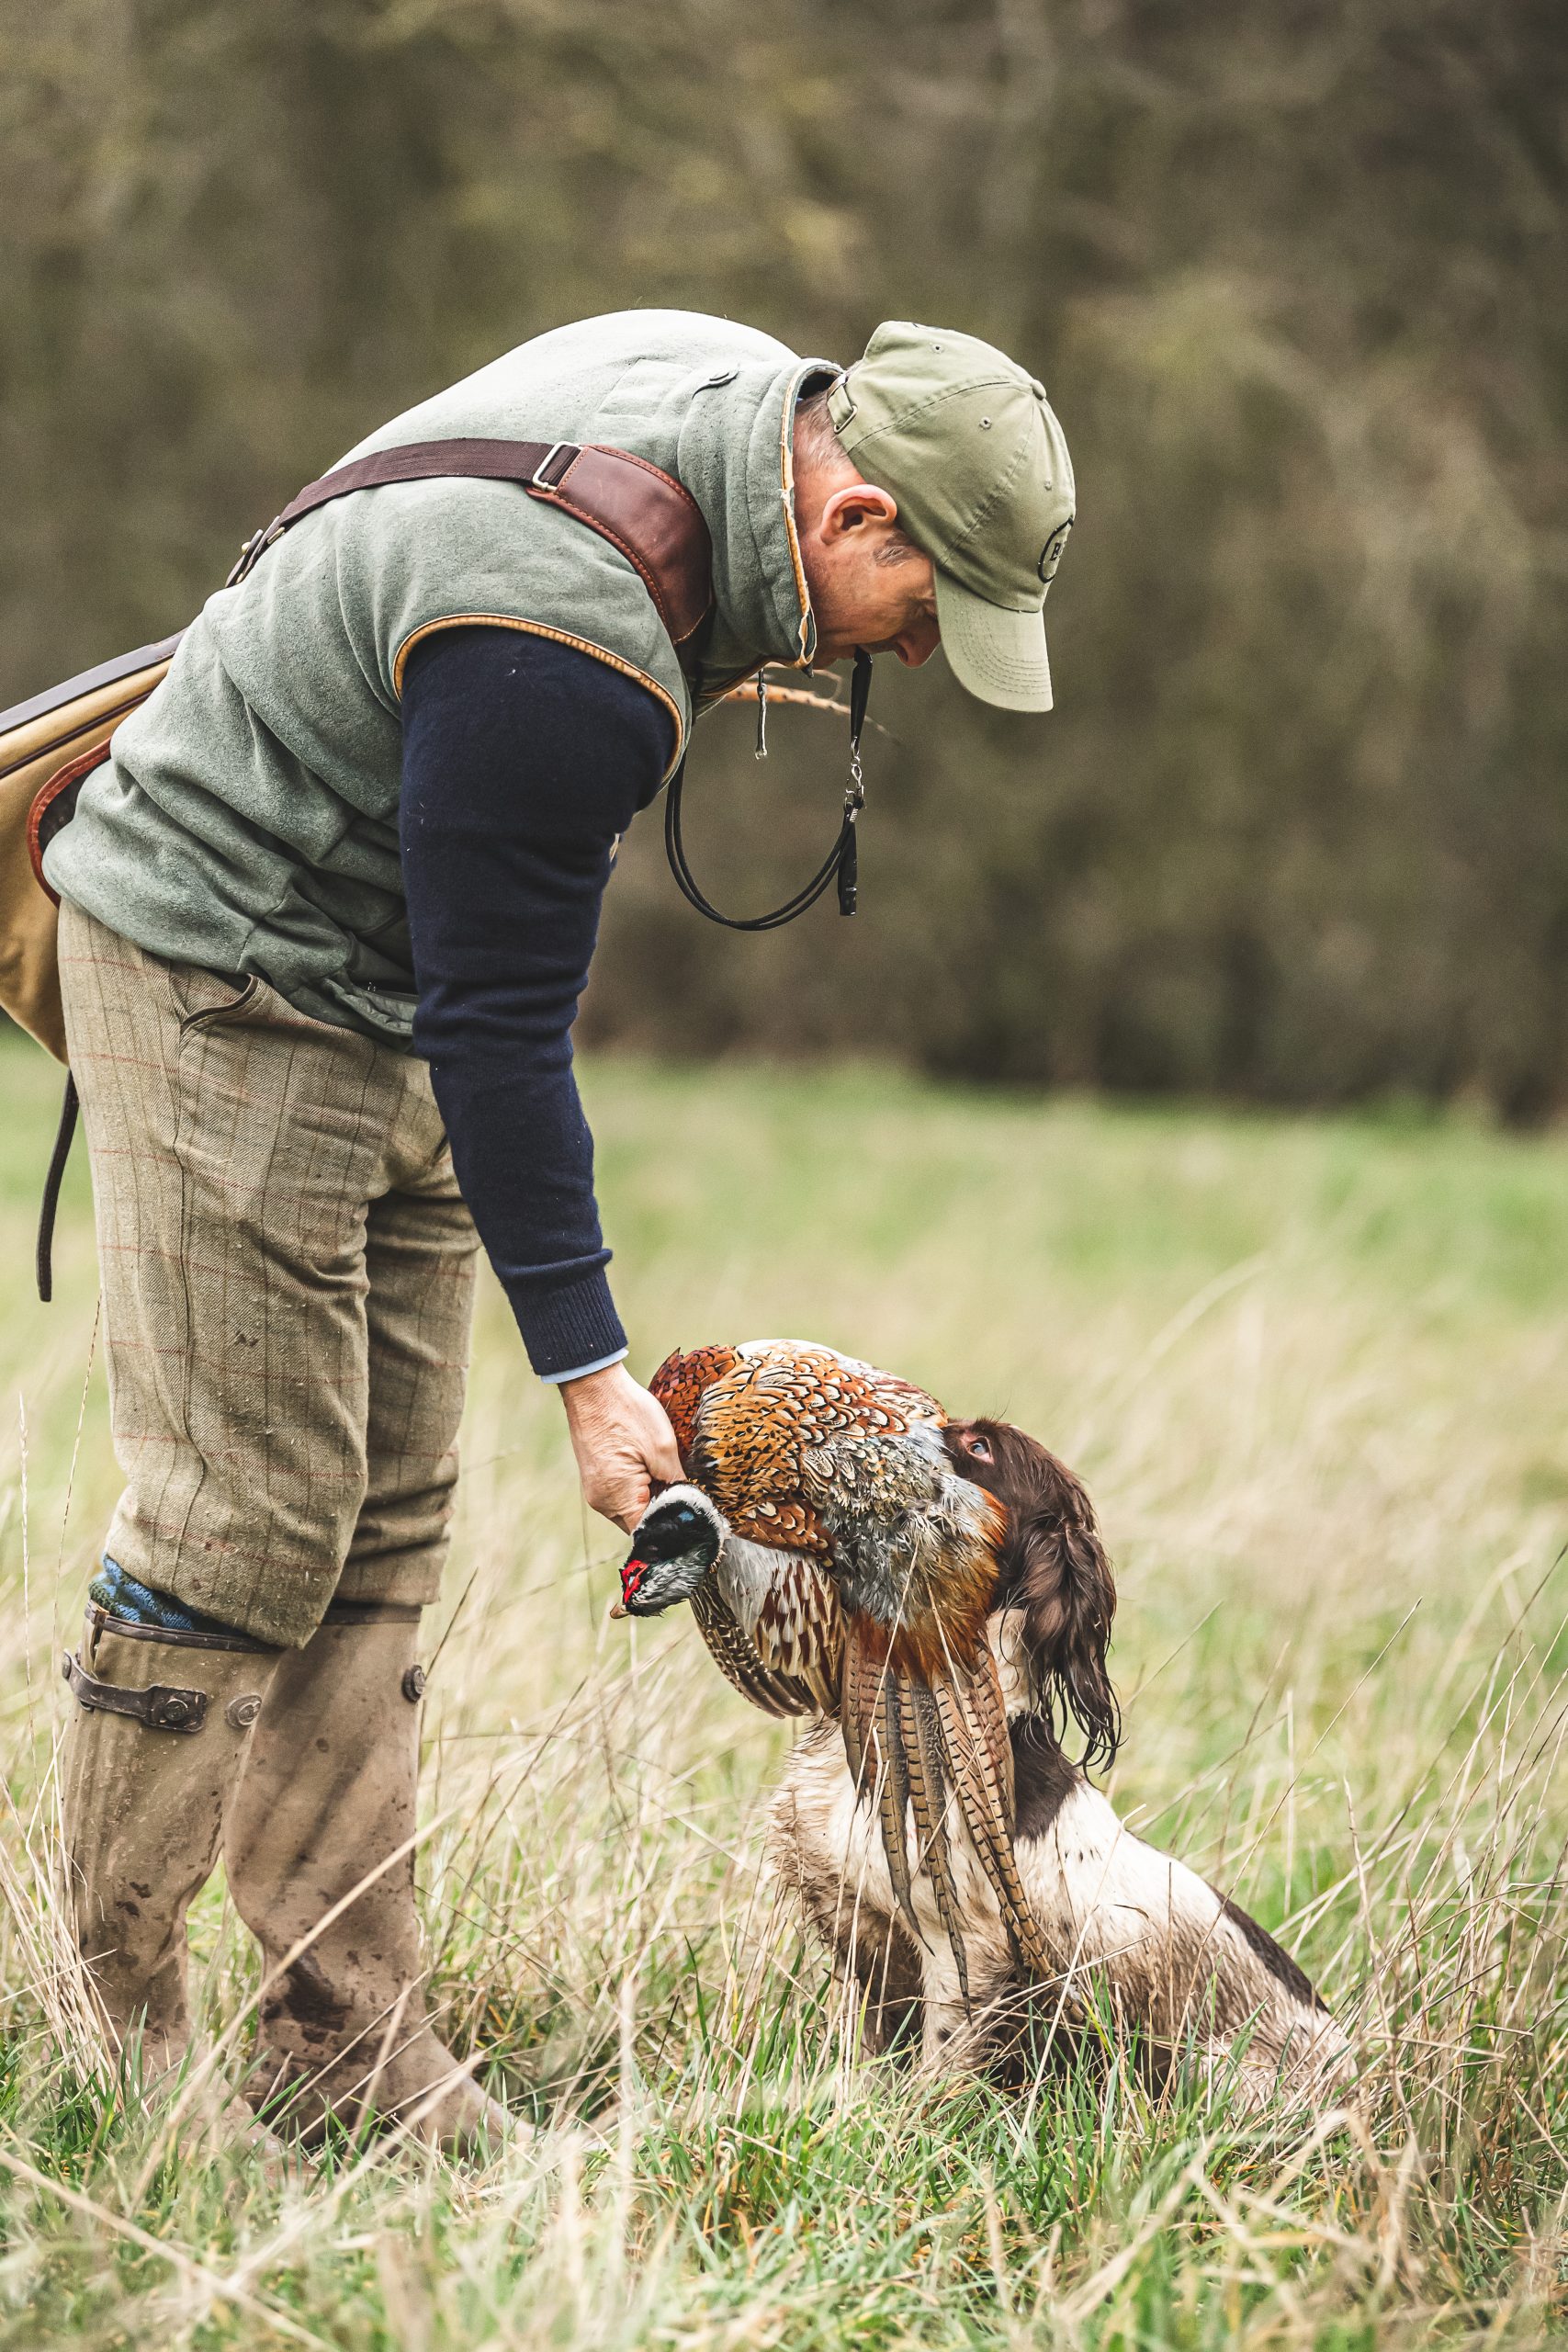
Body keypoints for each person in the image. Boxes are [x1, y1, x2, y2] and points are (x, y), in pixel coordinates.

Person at [44, 311, 1075, 2147]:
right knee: (242, 1512)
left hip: (383, 952)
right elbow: (500, 1027)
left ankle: (347, 2047)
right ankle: (114, 2022)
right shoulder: (565, 645)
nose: (909, 656)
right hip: (217, 948)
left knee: (378, 1520)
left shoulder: (731, 387)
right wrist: (596, 1382)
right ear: (844, 515)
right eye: (920, 612)